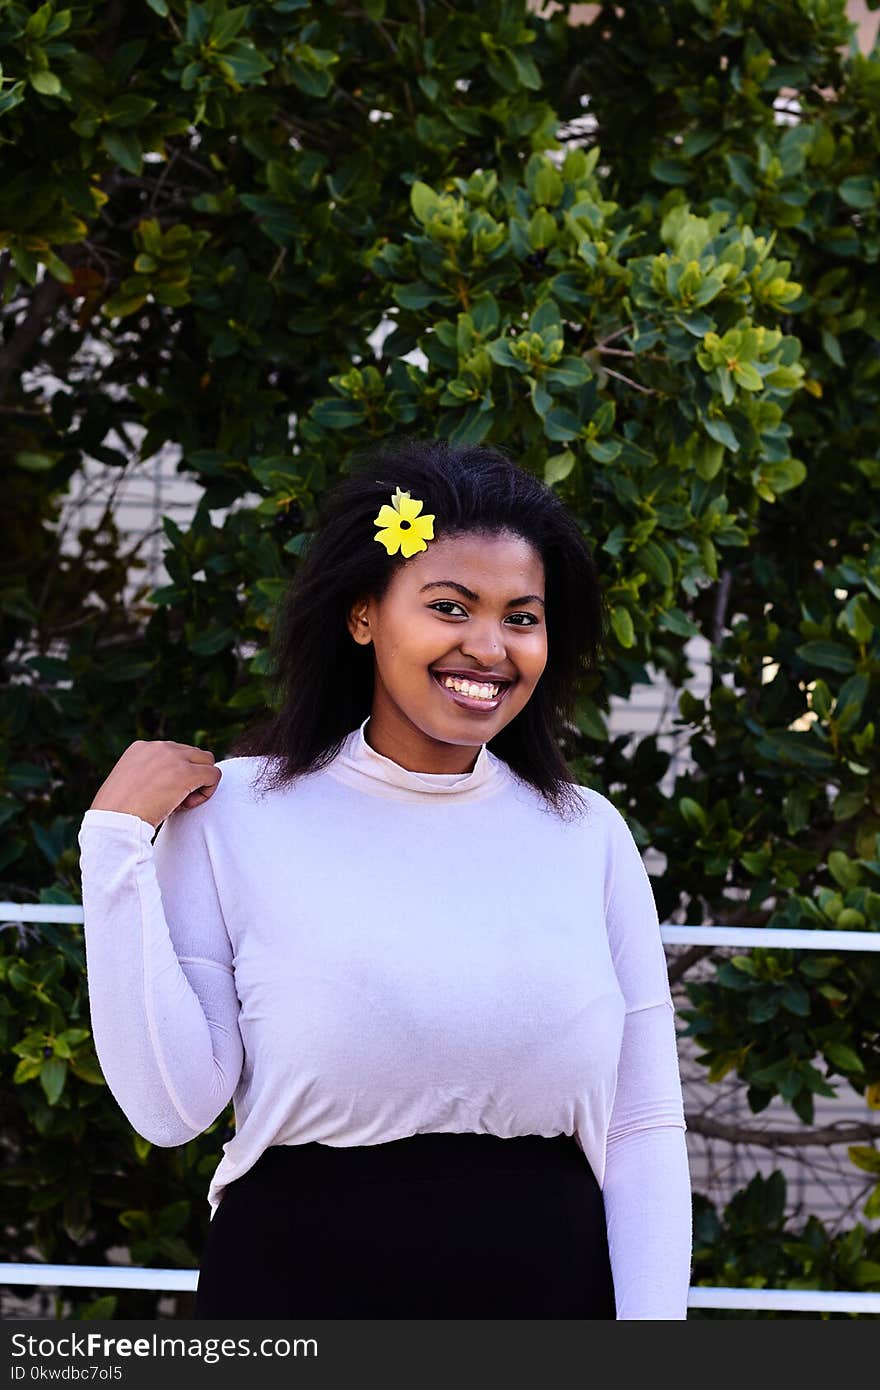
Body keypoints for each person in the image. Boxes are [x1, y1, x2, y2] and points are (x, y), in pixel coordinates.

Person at [78, 434, 692, 1319]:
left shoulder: (586, 832)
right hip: (291, 1299)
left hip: (548, 1298)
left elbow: (641, 1131)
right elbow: (172, 1107)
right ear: (365, 614)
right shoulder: (234, 814)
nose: (490, 647)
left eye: (522, 616)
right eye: (451, 606)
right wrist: (114, 848)